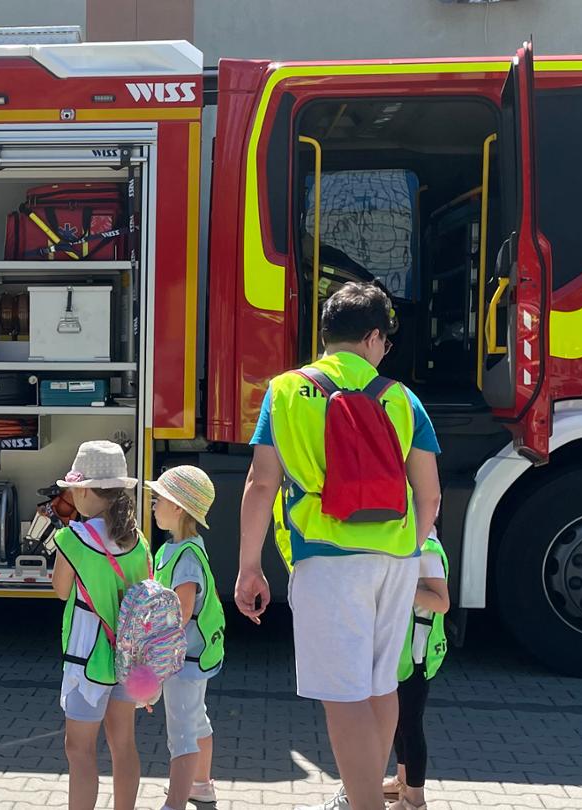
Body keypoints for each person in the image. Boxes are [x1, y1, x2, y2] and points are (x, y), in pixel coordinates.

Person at [234, 281, 441, 810]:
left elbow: (261, 483)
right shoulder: (402, 398)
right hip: (394, 558)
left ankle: (363, 803)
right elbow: (430, 492)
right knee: (380, 686)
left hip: (326, 560)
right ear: (372, 337)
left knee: (342, 695)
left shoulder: (284, 391)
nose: (384, 351)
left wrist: (249, 565)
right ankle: (363, 796)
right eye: (385, 342)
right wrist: (406, 547)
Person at [51, 440, 150, 810]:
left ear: (85, 489)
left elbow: (61, 591)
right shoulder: (136, 540)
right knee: (123, 745)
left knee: (78, 748)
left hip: (87, 657)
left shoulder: (73, 538)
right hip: (130, 658)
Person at [147, 465, 224, 810]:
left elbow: (179, 613)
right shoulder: (175, 549)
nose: (153, 505)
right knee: (196, 720)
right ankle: (202, 785)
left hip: (181, 661)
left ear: (177, 507)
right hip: (191, 658)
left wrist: (152, 666)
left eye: (158, 498)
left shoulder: (186, 556)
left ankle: (175, 802)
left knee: (181, 734)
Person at [384, 534, 450, 810]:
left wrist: (401, 587)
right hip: (401, 654)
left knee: (410, 725)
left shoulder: (428, 550)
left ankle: (415, 800)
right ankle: (402, 782)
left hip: (416, 656)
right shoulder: (411, 542)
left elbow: (441, 602)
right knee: (398, 723)